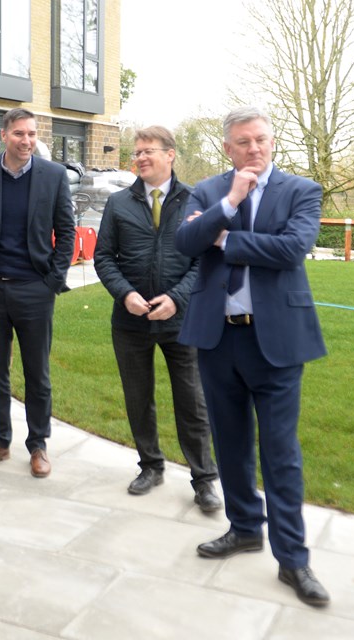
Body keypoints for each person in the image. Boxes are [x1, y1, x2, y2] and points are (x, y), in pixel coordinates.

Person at [174, 106, 330, 607]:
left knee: (280, 452)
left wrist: (222, 237)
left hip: (277, 341)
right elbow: (184, 242)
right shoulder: (206, 190)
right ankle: (244, 528)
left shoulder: (300, 190)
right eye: (244, 142)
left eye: (262, 139)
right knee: (231, 441)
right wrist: (230, 204)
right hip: (219, 338)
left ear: (271, 141)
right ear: (228, 148)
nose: (255, 148)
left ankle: (294, 559)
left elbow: (292, 248)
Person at [94, 126, 222, 512]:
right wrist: (125, 294)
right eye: (137, 152)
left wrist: (178, 298)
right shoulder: (118, 203)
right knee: (138, 399)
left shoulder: (196, 200)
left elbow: (205, 260)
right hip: (130, 322)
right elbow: (103, 257)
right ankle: (150, 466)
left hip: (182, 322)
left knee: (192, 403)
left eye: (149, 151)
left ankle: (204, 480)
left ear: (171, 155)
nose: (141, 157)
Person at [0, 108, 76, 478]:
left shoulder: (53, 176)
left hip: (34, 290)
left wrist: (53, 280)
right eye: (20, 134)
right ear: (4, 135)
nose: (27, 141)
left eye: (32, 134)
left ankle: (38, 445)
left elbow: (66, 231)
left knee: (37, 374)